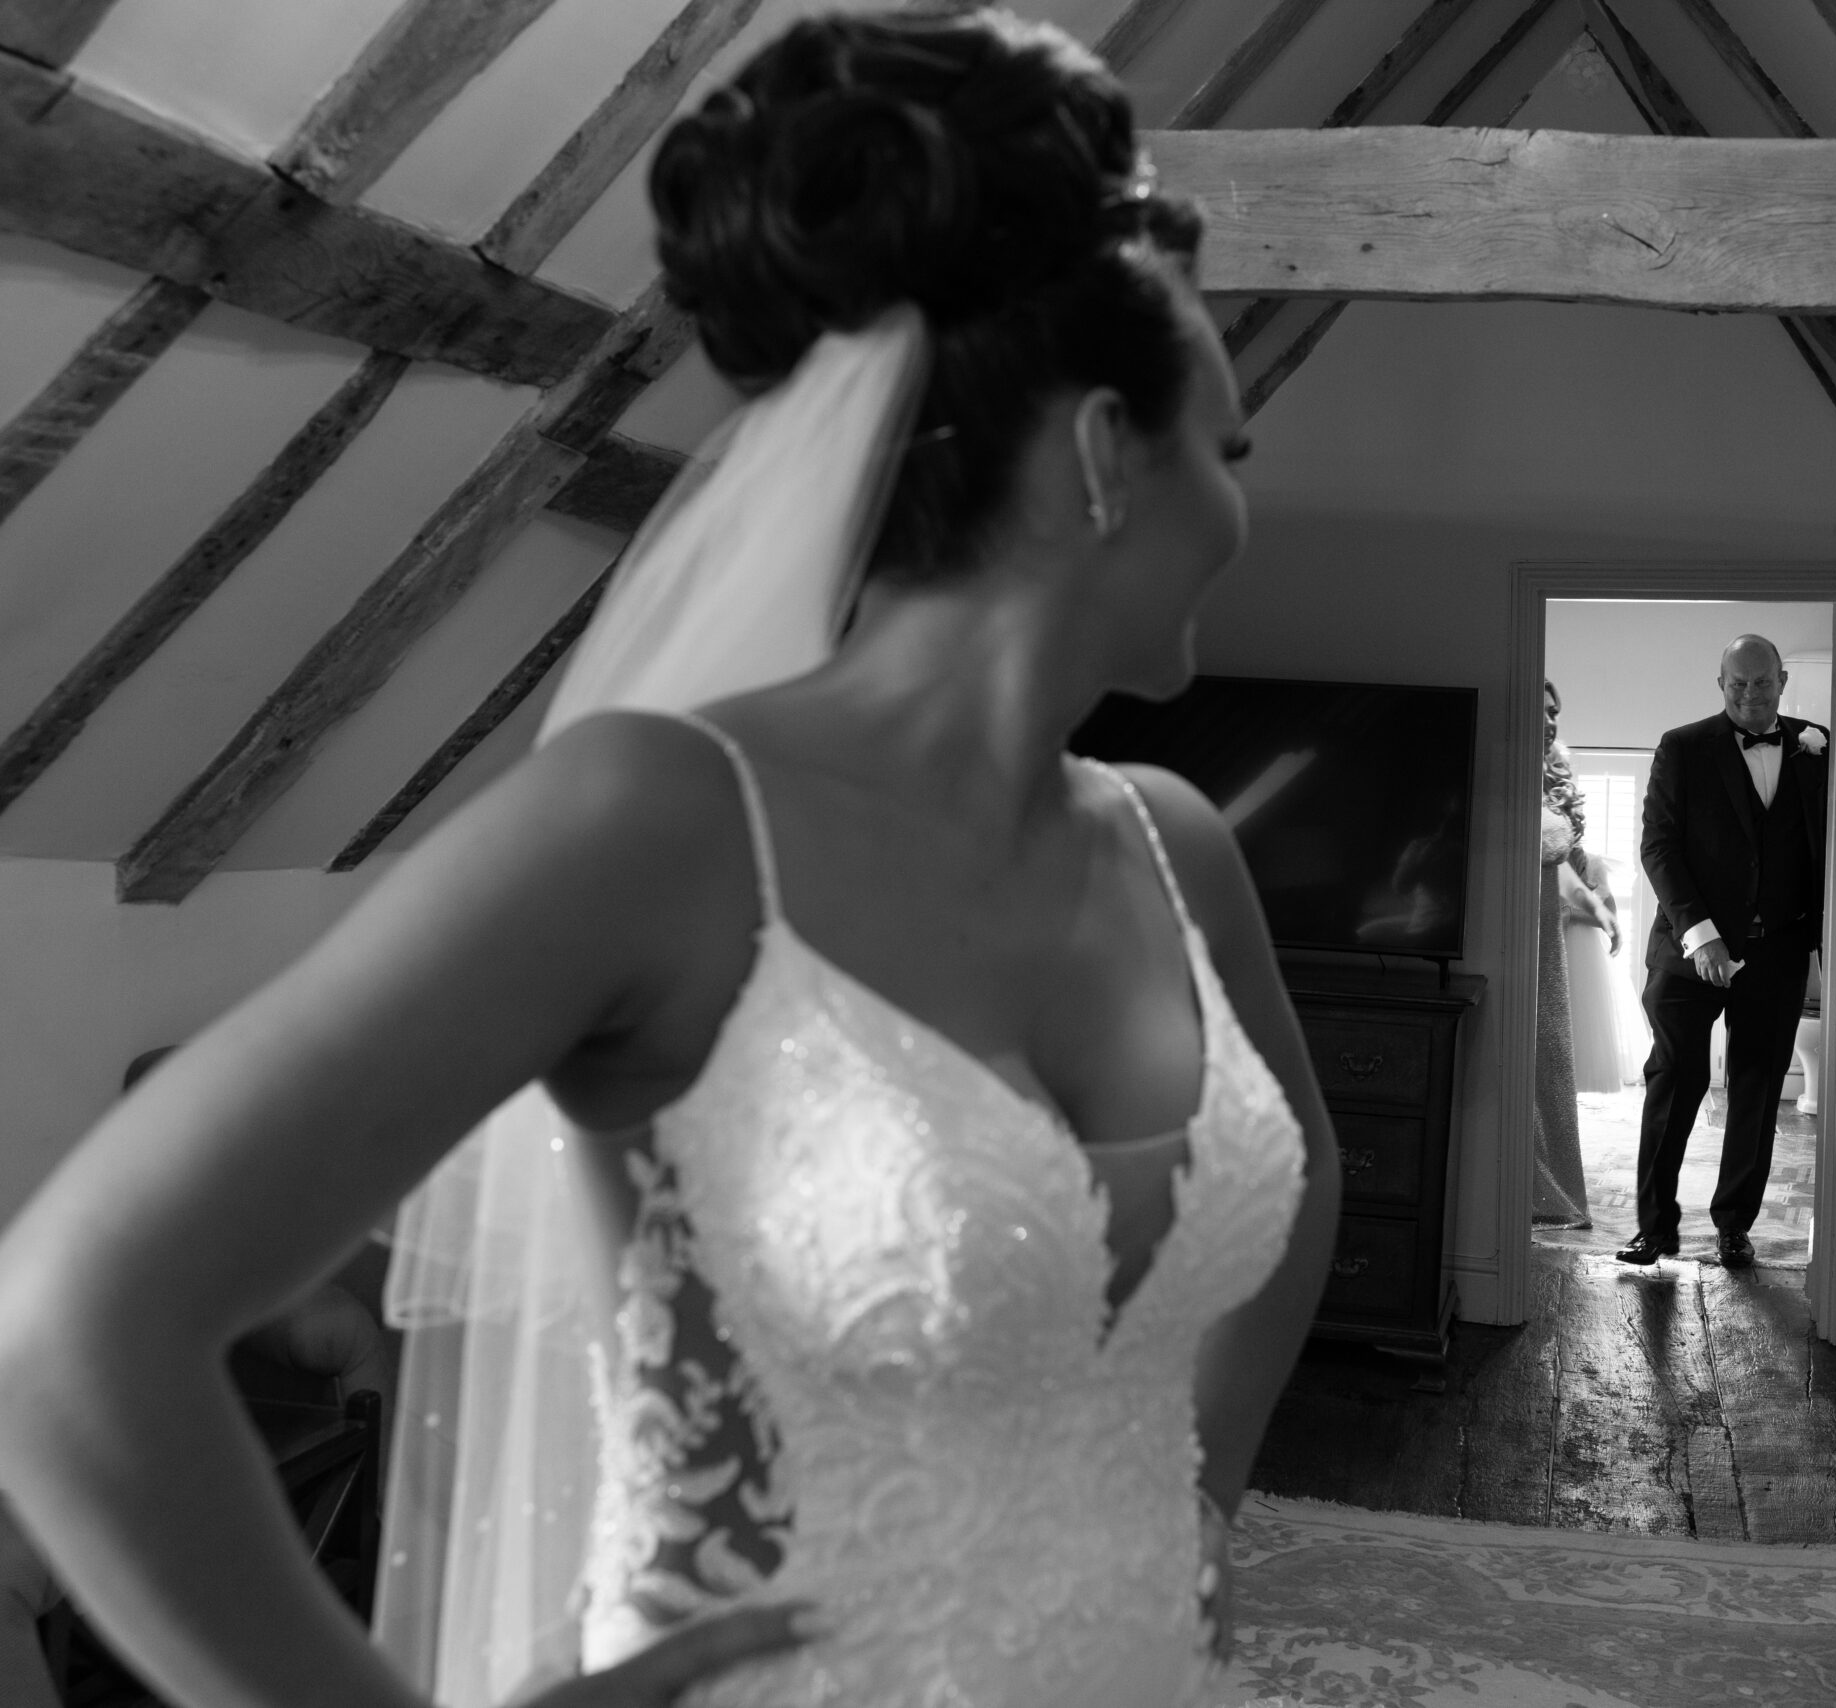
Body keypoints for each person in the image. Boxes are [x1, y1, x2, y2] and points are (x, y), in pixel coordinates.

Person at [0, 13, 1340, 1708]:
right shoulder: (660, 825)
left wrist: (1198, 1497)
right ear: (1100, 457)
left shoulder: (1175, 845)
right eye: (1225, 452)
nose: (1238, 512)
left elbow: (1300, 1188)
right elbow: (68, 1333)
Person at [1619, 636, 1826, 1270]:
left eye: (1762, 682)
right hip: (1689, 953)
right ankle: (1655, 1227)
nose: (1750, 695)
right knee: (1675, 1082)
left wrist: (1827, 944)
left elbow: (1831, 847)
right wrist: (1701, 933)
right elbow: (1658, 847)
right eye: (1737, 684)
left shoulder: (1818, 747)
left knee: (1758, 1091)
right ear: (1720, 684)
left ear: (1782, 681)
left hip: (1778, 951)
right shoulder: (1683, 746)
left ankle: (1735, 1225)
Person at [1529, 682, 1591, 1228]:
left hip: (1549, 941)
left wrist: (1598, 906)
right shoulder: (1505, 775)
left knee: (1551, 1059)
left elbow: (1564, 870)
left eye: (1555, 712)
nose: (1550, 720)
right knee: (1524, 1058)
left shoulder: (1552, 779)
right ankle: (1527, 1186)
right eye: (1541, 710)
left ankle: (1558, 1185)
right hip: (1517, 936)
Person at [1560, 845, 1623, 1095]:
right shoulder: (1543, 859)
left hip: (1583, 953)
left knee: (1580, 1021)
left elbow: (1610, 916)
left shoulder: (1593, 864)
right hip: (1551, 945)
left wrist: (1571, 914)